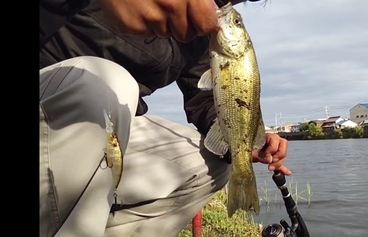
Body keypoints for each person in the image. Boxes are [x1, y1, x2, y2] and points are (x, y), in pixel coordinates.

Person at [39, 0, 292, 236]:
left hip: (108, 133)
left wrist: (249, 140)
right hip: (50, 103)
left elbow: (205, 100)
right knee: (110, 83)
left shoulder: (202, 37)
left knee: (209, 166)